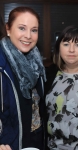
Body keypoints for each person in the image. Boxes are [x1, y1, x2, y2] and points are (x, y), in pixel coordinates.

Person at [0, 6, 46, 150]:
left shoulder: (37, 63)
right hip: (9, 144)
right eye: (22, 28)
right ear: (8, 29)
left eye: (34, 30)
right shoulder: (1, 66)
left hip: (35, 141)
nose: (28, 36)